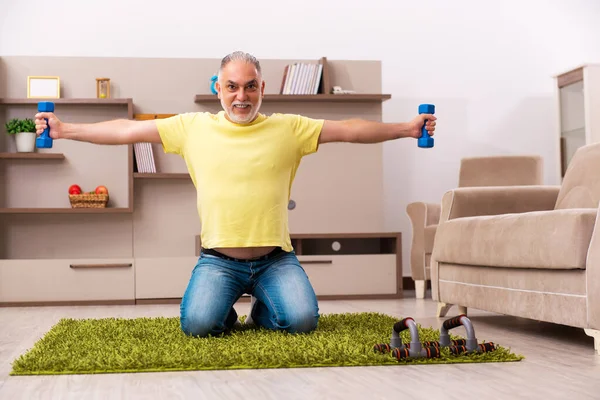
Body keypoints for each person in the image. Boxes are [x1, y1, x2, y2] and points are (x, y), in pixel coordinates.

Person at [34, 51, 437, 338]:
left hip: (275, 260)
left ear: (261, 87)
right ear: (218, 87)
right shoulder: (192, 127)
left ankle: (264, 308)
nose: (240, 96)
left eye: (249, 87)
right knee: (197, 326)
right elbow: (125, 130)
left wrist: (407, 128)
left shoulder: (289, 128)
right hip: (219, 261)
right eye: (231, 87)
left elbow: (350, 128)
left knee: (301, 322)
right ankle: (224, 306)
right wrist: (65, 129)